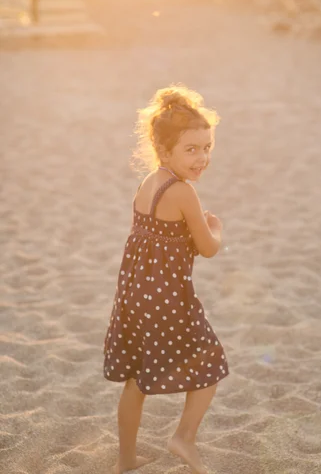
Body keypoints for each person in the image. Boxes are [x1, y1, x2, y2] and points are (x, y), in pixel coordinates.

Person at [103, 84, 230, 474]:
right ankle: (183, 438)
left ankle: (126, 460)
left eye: (207, 147)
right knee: (211, 364)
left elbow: (152, 241)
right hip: (168, 299)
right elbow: (208, 248)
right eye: (191, 149)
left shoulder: (149, 184)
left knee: (137, 380)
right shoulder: (184, 192)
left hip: (134, 297)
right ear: (164, 150)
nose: (201, 157)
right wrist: (215, 227)